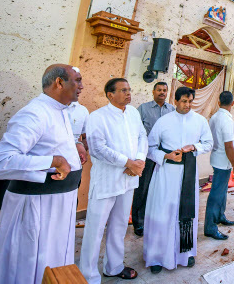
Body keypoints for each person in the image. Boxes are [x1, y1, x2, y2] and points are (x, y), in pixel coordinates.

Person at [0, 64, 83, 284]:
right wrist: (52, 161)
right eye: (77, 80)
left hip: (59, 203)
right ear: (59, 83)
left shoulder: (59, 110)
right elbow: (1, 161)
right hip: (38, 207)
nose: (82, 86)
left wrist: (75, 145)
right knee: (31, 262)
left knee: (53, 262)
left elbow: (49, 142)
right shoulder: (35, 113)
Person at [79, 78, 147, 283]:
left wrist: (140, 161)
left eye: (129, 90)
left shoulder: (133, 113)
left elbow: (142, 136)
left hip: (128, 180)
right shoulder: (97, 117)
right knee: (95, 228)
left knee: (119, 226)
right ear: (110, 94)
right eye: (123, 90)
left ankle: (114, 266)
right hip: (107, 181)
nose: (128, 93)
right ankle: (88, 275)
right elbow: (98, 149)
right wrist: (127, 162)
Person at [143, 86, 213, 274]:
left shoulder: (199, 121)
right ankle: (157, 256)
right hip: (166, 175)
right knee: (162, 214)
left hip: (188, 175)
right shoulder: (163, 121)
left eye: (190, 101)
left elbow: (208, 143)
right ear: (175, 101)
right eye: (183, 101)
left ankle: (185, 253)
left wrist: (194, 146)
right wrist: (166, 157)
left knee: (186, 214)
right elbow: (149, 148)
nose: (187, 105)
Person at [132, 81, 175, 236]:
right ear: (153, 91)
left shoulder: (172, 110)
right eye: (159, 90)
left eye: (164, 90)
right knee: (142, 189)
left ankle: (156, 219)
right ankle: (139, 223)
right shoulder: (143, 109)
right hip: (147, 154)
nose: (162, 93)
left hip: (166, 155)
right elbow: (134, 130)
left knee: (160, 188)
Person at [204, 91, 234, 241]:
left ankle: (220, 216)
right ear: (232, 103)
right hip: (223, 160)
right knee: (216, 193)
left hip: (217, 158)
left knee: (222, 190)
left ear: (219, 103)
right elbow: (229, 146)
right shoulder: (226, 120)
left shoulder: (214, 117)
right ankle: (210, 227)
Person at [67, 99, 90, 165]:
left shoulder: (82, 110)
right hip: (46, 167)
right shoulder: (41, 109)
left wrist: (81, 145)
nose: (80, 88)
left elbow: (88, 137)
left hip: (74, 165)